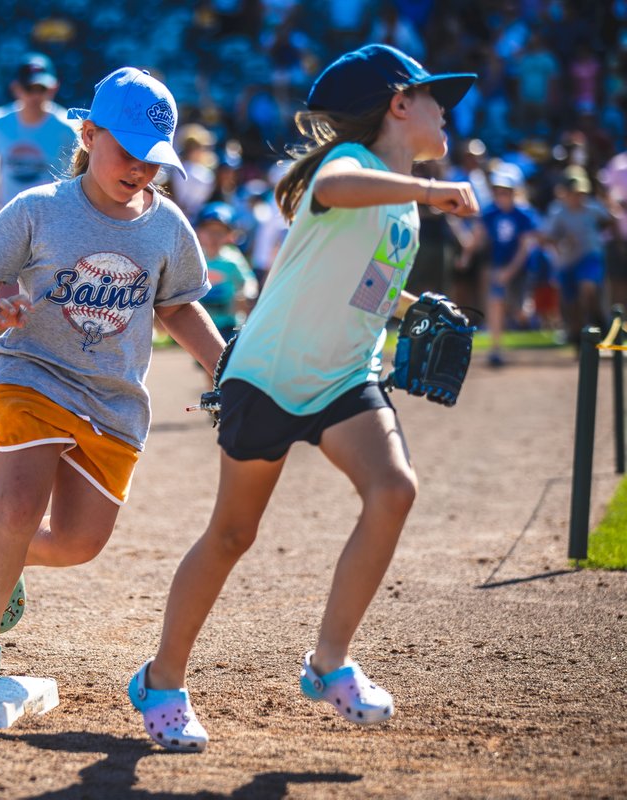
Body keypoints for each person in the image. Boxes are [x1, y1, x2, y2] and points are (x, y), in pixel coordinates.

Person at [127, 44, 480, 752]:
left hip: (344, 376)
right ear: (398, 103)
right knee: (232, 535)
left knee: (394, 489)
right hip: (268, 375)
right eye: (436, 96)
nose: (448, 110)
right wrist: (428, 193)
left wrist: (409, 310)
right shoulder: (348, 170)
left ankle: (329, 663)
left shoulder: (403, 209)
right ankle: (160, 682)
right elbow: (342, 187)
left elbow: (364, 285)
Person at [0, 67, 225, 681]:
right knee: (16, 508)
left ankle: (0, 549)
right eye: (127, 151)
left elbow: (176, 306)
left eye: (154, 160)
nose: (140, 170)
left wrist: (223, 365)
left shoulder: (168, 224)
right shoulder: (38, 209)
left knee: (78, 544)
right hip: (32, 374)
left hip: (115, 398)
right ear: (90, 135)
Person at [0, 52, 80, 222]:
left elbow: (79, 173)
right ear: (16, 88)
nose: (36, 95)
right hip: (8, 215)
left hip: (52, 217)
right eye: (29, 88)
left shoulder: (69, 127)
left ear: (54, 88)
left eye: (42, 89)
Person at [473, 166, 539, 366]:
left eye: (505, 191)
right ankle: (495, 349)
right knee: (495, 302)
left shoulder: (524, 214)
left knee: (520, 312)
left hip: (520, 268)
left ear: (514, 192)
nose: (501, 195)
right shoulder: (490, 213)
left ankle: (527, 317)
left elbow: (524, 248)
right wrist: (466, 255)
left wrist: (509, 273)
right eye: (498, 191)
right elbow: (478, 237)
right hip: (498, 265)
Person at [541, 165, 613, 346]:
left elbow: (609, 220)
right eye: (573, 193)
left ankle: (598, 323)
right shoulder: (557, 211)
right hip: (568, 261)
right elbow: (547, 238)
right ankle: (577, 337)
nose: (577, 197)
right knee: (571, 302)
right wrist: (563, 240)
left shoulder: (593, 208)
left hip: (590, 256)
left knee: (587, 288)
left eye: (580, 193)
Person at [193, 201, 257, 338]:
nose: (213, 237)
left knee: (227, 355)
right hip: (202, 322)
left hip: (230, 323)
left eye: (219, 232)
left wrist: (246, 295)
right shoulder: (194, 258)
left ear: (230, 235)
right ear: (198, 232)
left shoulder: (232, 259)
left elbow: (249, 282)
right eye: (209, 231)